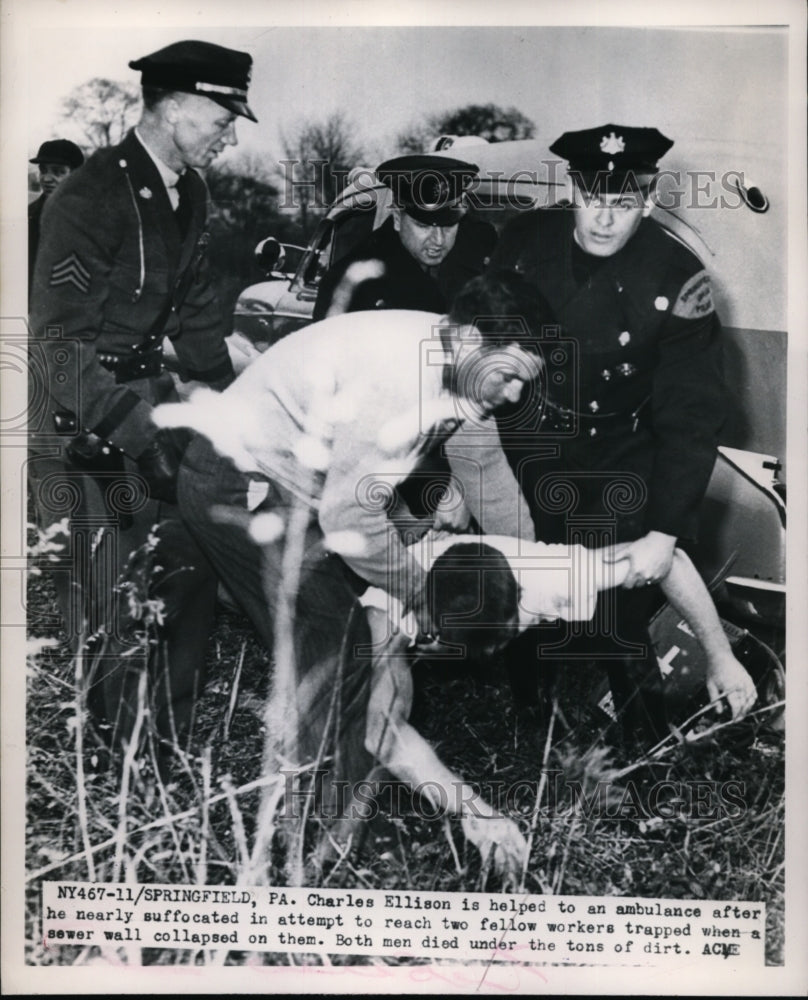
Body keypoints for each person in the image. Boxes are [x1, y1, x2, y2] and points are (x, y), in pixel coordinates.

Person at [153, 271, 543, 863]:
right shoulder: (399, 382)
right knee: (343, 648)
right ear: (468, 341)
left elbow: (487, 476)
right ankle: (306, 828)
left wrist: (528, 575)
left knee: (345, 648)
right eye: (510, 375)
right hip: (236, 483)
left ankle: (337, 815)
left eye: (523, 381)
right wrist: (421, 591)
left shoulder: (462, 369)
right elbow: (349, 524)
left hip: (304, 490)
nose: (513, 394)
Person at [28, 40, 257, 760]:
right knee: (113, 590)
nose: (231, 130)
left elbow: (198, 322)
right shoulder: (88, 197)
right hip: (84, 414)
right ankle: (116, 755)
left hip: (154, 401)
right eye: (224, 114)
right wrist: (138, 434)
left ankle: (168, 741)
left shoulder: (190, 191)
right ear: (177, 106)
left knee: (187, 565)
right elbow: (58, 347)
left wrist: (235, 408)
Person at [487, 124, 727, 745]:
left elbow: (690, 414)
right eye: (593, 199)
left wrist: (664, 529)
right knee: (527, 575)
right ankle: (527, 713)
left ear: (647, 202)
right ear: (572, 189)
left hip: (619, 443)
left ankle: (645, 749)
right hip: (530, 432)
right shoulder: (522, 243)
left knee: (624, 595)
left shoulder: (680, 276)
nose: (603, 219)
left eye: (622, 204)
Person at [361, 531, 757, 882]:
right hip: (377, 594)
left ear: (517, 594)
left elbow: (669, 562)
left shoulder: (549, 573)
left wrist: (721, 656)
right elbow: (383, 731)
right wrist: (476, 812)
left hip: (504, 576)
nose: (497, 648)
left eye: (506, 633)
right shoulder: (389, 604)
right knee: (356, 738)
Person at [313, 153, 497, 321]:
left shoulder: (476, 264)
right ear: (397, 218)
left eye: (448, 226)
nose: (438, 240)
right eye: (423, 226)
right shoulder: (354, 284)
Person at [28, 139, 85, 295]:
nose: (46, 178)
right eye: (43, 170)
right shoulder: (29, 215)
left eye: (58, 171)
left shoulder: (94, 218)